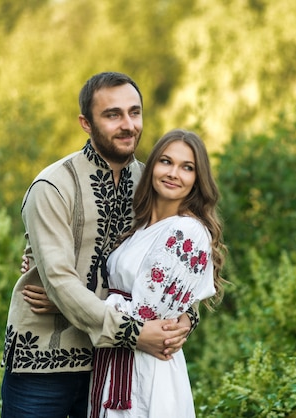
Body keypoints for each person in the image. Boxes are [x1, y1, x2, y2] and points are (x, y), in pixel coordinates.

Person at [1, 72, 198, 418]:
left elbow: (182, 253)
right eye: (112, 115)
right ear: (86, 123)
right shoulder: (52, 186)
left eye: (134, 113)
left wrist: (186, 315)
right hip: (45, 363)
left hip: (115, 366)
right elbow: (60, 282)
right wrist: (132, 331)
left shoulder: (150, 182)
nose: (128, 125)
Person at [89, 128, 227, 418]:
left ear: (197, 179)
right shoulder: (138, 228)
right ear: (151, 167)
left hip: (147, 369)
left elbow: (148, 313)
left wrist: (67, 303)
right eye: (166, 162)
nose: (174, 173)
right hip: (117, 358)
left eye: (187, 167)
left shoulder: (187, 232)